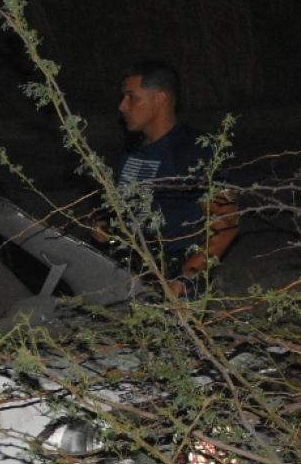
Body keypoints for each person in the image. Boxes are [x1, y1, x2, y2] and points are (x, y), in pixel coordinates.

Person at [100, 59, 239, 299]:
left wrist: (188, 276)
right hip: (131, 269)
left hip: (171, 274)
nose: (122, 106)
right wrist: (105, 227)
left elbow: (226, 224)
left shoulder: (194, 151)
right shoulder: (134, 149)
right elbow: (129, 212)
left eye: (131, 96)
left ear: (160, 98)